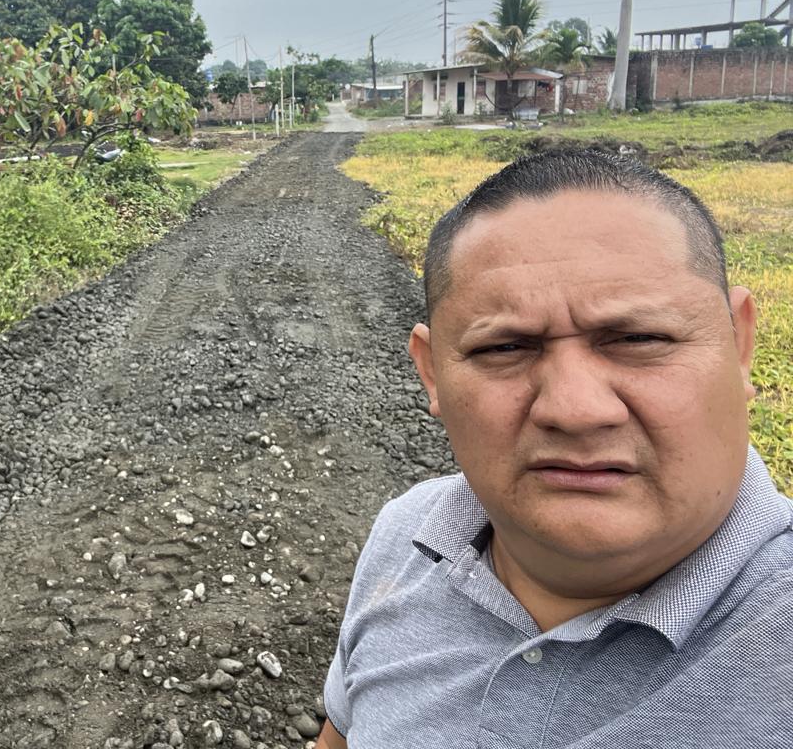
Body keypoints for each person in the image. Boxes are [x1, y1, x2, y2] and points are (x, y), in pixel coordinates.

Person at [317, 148, 793, 749]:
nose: (575, 409)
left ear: (739, 345)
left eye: (638, 338)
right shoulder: (407, 535)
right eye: (504, 349)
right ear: (431, 374)